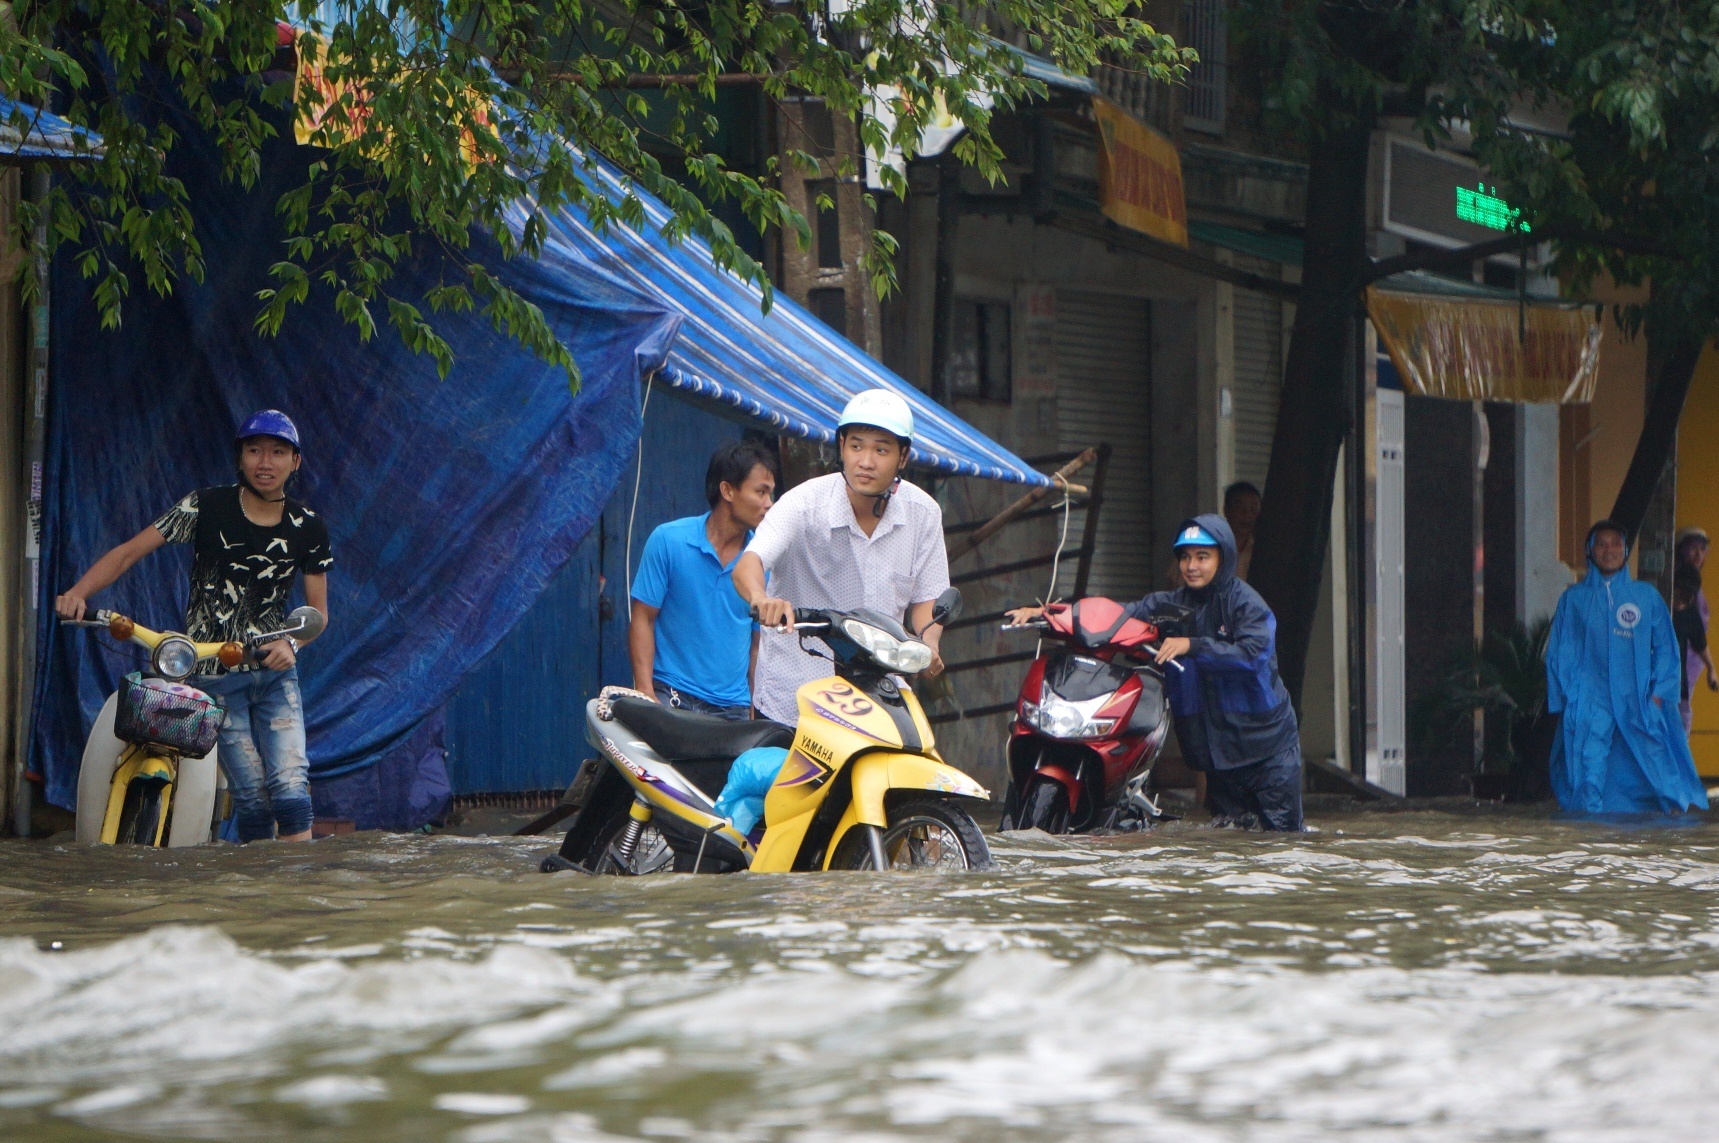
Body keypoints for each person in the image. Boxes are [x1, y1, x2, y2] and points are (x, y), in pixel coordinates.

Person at [55, 411, 333, 842]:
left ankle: (296, 895)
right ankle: (261, 890)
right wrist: (78, 592)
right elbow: (129, 552)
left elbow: (318, 613)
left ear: (295, 462)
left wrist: (293, 643)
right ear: (239, 457)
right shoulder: (205, 506)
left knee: (291, 784)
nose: (265, 462)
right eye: (254, 450)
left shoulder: (308, 526)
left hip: (276, 673)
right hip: (214, 671)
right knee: (252, 796)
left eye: (278, 452)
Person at [1009, 514, 1304, 831]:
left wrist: (1191, 645)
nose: (1191, 566)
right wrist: (1046, 613)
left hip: (1267, 751)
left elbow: (1251, 655)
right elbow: (1116, 614)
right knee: (1229, 841)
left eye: (1202, 557)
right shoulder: (1170, 604)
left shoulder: (1247, 605)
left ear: (1224, 558)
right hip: (1217, 756)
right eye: (1186, 557)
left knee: (1281, 841)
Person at [733, 389, 949, 725]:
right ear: (842, 449)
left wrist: (927, 645)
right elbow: (750, 563)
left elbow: (927, 601)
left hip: (881, 698)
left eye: (881, 449)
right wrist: (762, 599)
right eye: (856, 446)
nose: (866, 461)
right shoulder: (803, 504)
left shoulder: (924, 514)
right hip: (794, 697)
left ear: (903, 457)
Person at [1545, 520, 1708, 814]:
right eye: (1601, 544)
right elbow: (1560, 651)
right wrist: (1571, 696)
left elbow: (1666, 648)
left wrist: (1659, 693)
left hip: (1638, 699)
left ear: (1625, 550)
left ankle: (1657, 822)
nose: (1609, 550)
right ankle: (1588, 831)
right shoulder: (1574, 599)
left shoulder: (1645, 597)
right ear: (1590, 551)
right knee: (1588, 765)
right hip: (1591, 701)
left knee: (1654, 764)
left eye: (1616, 543)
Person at [629, 440, 778, 720]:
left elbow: (758, 644)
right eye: (760, 492)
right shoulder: (668, 540)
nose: (769, 504)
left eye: (771, 493)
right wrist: (645, 692)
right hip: (669, 695)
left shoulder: (764, 561)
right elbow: (642, 618)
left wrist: (754, 711)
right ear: (727, 490)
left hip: (732, 708)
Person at [1672, 564, 1717, 733]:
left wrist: (1711, 669)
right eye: (1678, 594)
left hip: (1678, 687)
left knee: (1681, 734)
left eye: (1687, 596)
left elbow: (1700, 644)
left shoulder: (1690, 614)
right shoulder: (1660, 609)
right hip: (1656, 686)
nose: (1680, 601)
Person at [1676, 526, 1711, 727]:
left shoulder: (1695, 583)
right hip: (1679, 661)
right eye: (1693, 548)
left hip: (1691, 663)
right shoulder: (1681, 581)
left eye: (1702, 549)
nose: (1698, 554)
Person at [1223, 481, 1262, 581]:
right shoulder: (1209, 547)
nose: (1247, 515)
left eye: (1253, 509)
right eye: (1240, 508)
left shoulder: (1264, 551)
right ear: (1226, 510)